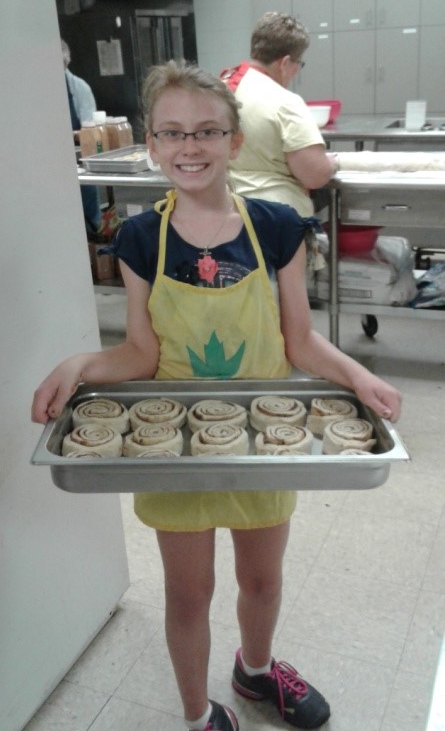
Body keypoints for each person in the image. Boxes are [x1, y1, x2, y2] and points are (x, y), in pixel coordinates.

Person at [32, 60, 401, 731]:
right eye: (171, 132)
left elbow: (299, 341)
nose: (190, 146)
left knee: (262, 580)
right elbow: (141, 354)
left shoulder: (278, 227)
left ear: (234, 141)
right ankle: (197, 714)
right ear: (152, 144)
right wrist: (81, 362)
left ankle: (255, 671)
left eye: (206, 131)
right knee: (188, 593)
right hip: (174, 447)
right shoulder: (140, 238)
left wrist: (358, 375)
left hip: (263, 441)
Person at [220, 12, 337, 219]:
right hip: (275, 219)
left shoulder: (218, 89)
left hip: (222, 214)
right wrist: (331, 164)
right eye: (299, 64)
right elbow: (314, 175)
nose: (297, 71)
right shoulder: (285, 102)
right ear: (285, 63)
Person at [61, 38, 102, 236]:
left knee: (88, 219)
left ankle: (92, 239)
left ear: (66, 61)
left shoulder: (79, 88)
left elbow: (89, 128)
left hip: (80, 160)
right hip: (50, 163)